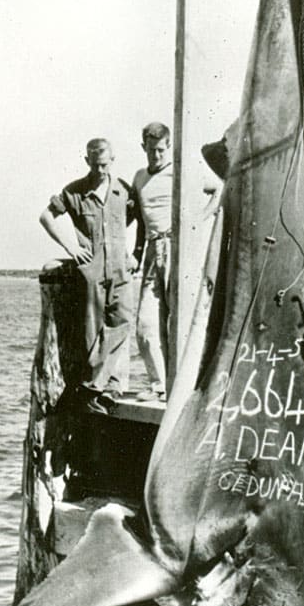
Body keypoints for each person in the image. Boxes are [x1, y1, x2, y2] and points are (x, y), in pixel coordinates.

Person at [40, 138, 136, 411]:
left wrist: (135, 252)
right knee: (92, 332)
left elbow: (137, 218)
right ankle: (97, 390)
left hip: (119, 270)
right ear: (87, 162)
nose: (101, 171)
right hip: (92, 272)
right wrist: (70, 247)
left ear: (113, 160)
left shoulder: (123, 190)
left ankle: (102, 387)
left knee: (122, 322)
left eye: (105, 165)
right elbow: (46, 217)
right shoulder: (74, 192)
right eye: (95, 165)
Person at [131, 122, 173, 400]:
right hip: (151, 251)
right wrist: (136, 252)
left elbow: (218, 190)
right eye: (150, 150)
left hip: (178, 248)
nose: (155, 156)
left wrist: (201, 220)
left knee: (178, 321)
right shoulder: (139, 178)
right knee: (145, 325)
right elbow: (140, 222)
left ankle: (181, 386)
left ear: (168, 147)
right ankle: (160, 384)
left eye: (160, 150)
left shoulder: (179, 172)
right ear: (143, 148)